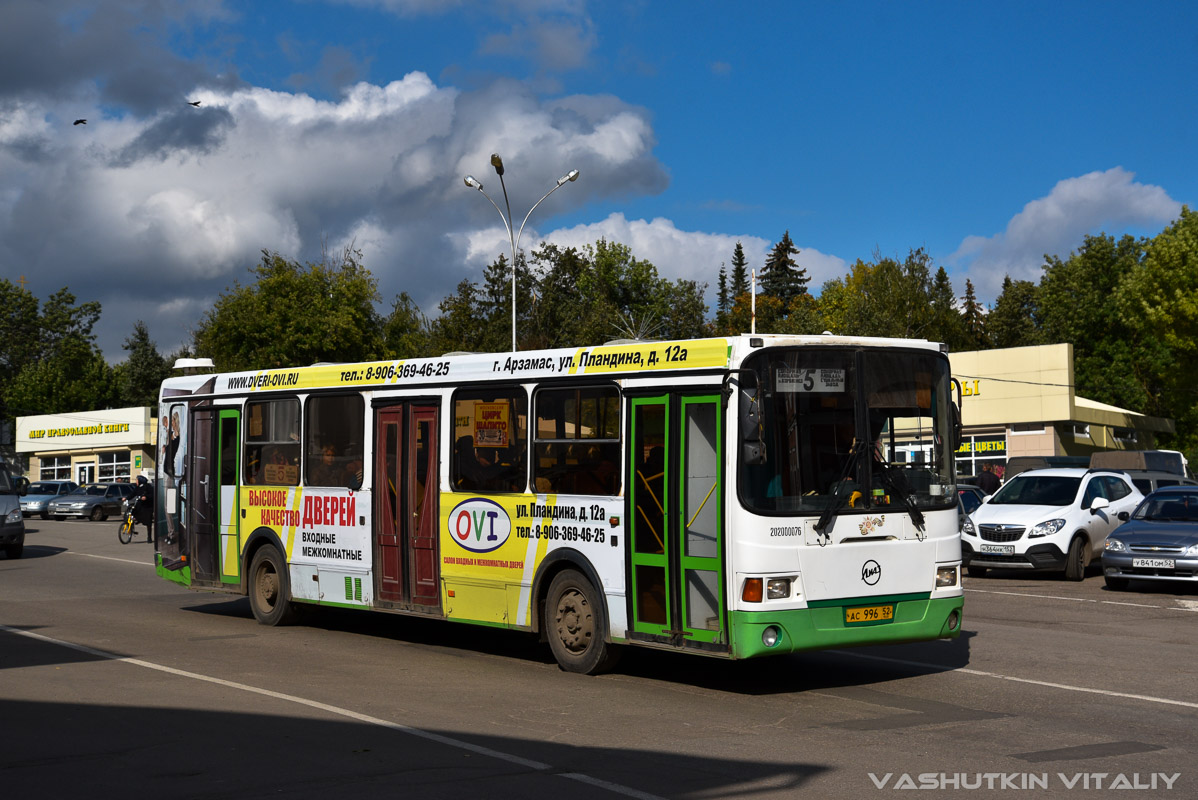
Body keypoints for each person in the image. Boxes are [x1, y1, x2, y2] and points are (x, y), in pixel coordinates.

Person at [131, 475, 155, 542]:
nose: (136, 481)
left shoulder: (148, 487)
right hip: (140, 505)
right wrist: (126, 498)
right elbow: (132, 494)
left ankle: (149, 537)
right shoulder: (138, 487)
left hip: (148, 506)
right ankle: (132, 526)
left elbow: (152, 495)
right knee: (132, 512)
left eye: (137, 480)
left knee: (148, 522)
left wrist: (146, 497)